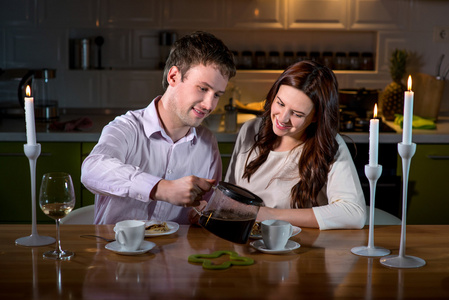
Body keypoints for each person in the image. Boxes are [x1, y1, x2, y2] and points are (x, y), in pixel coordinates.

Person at [81, 31, 236, 225]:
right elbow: (92, 169)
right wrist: (160, 188)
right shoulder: (126, 128)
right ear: (173, 76)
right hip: (115, 251)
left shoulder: (207, 143)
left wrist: (204, 214)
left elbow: (204, 211)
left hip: (177, 253)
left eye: (217, 95)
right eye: (203, 89)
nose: (209, 105)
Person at [225, 60, 366, 230]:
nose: (282, 118)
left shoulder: (329, 144)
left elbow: (353, 213)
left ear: (315, 116)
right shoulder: (250, 130)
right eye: (280, 103)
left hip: (299, 248)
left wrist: (268, 214)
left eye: (297, 114)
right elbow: (229, 200)